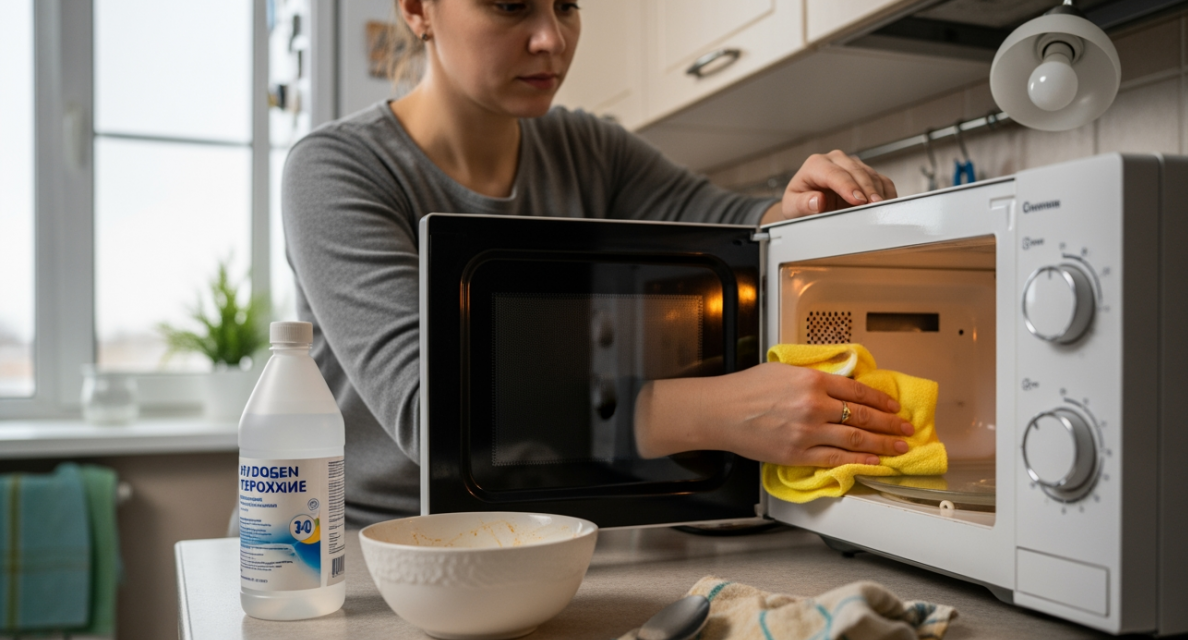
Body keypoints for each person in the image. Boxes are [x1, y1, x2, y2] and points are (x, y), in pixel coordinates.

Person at [282, 0, 913, 526]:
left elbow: (736, 229)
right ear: (419, 9)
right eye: (510, 5)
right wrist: (722, 412)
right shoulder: (335, 170)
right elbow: (438, 415)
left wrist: (800, 209)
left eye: (567, 5)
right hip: (364, 551)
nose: (551, 38)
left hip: (543, 530)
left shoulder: (590, 147)